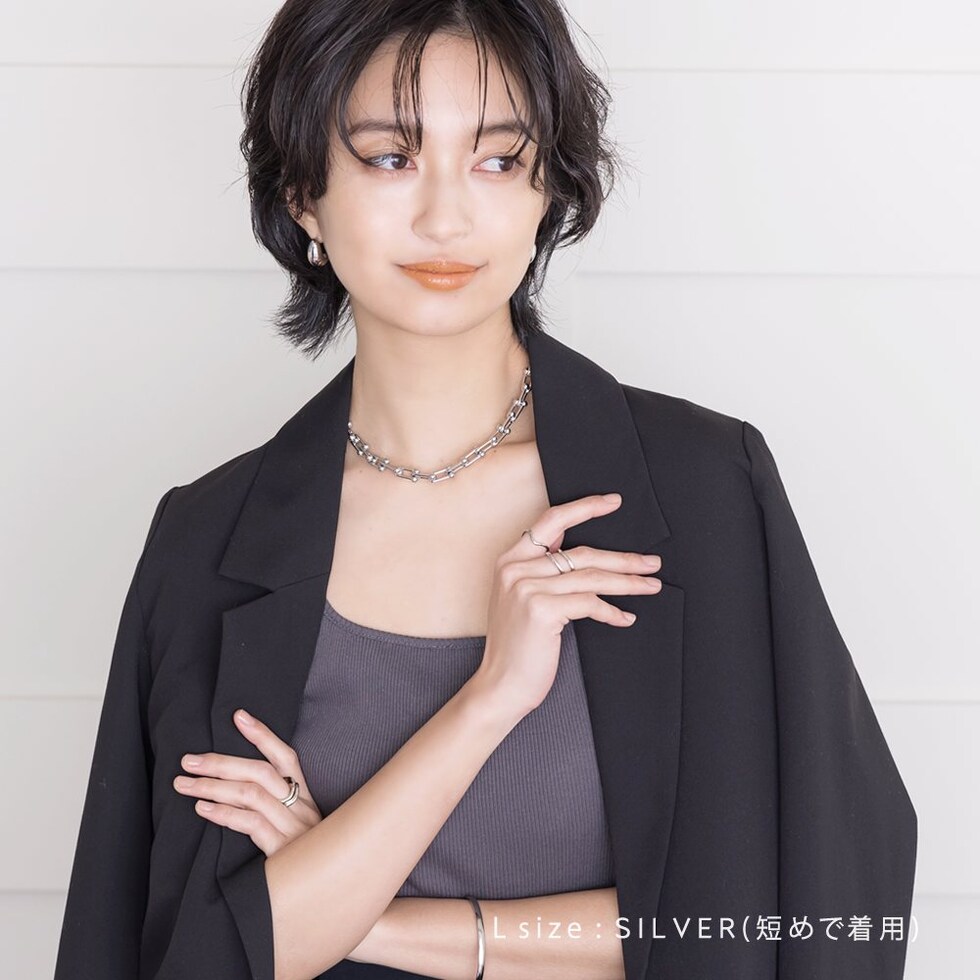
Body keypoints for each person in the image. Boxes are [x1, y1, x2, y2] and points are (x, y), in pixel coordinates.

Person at [54, 2, 918, 979]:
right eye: (390, 157)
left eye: (498, 160)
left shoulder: (706, 489)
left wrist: (360, 909)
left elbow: (805, 910)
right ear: (302, 193)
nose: (446, 217)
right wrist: (490, 701)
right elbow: (187, 951)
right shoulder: (205, 542)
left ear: (548, 190)